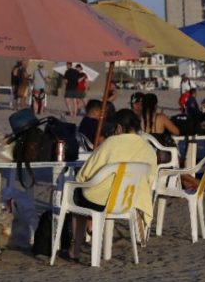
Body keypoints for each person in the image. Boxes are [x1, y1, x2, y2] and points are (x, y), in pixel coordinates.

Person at [66, 109, 156, 264]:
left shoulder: (111, 143)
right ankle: (92, 224)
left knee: (77, 195)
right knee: (89, 195)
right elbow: (150, 179)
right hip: (129, 200)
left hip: (102, 200)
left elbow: (86, 173)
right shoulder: (148, 148)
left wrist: (80, 180)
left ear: (119, 128)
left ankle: (75, 250)